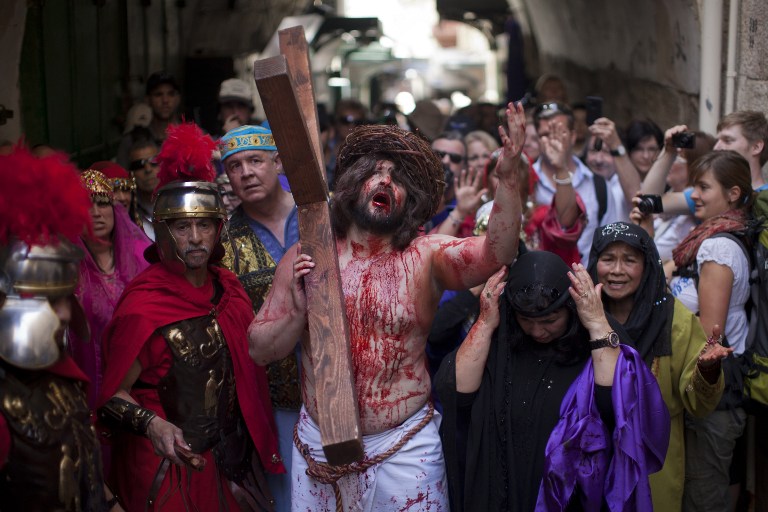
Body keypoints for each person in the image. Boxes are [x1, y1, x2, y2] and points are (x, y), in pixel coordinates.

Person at [249, 102, 528, 510]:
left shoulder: (426, 257)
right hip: (320, 443)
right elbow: (260, 350)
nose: (385, 181)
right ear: (351, 185)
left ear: (408, 201)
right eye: (374, 172)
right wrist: (294, 309)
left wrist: (508, 179)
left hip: (404, 445)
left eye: (397, 178)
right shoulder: (306, 257)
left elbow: (497, 252)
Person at [97, 123, 283, 511]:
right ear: (164, 232)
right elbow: (110, 397)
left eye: (205, 225)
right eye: (183, 227)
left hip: (229, 462)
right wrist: (152, 424)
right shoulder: (144, 306)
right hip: (167, 467)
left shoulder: (230, 290)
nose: (196, 237)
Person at [435, 250, 670, 511]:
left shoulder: (591, 341)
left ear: (570, 310)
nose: (537, 331)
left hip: (572, 494)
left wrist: (595, 321)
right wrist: (486, 321)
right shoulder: (501, 342)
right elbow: (455, 392)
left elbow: (618, 403)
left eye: (550, 320)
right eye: (526, 320)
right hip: (503, 487)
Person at [0, 144, 118, 511]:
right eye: (52, 302)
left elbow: (86, 473)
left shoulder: (64, 378)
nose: (66, 315)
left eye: (66, 298)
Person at [587, 221, 728, 511]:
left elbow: (697, 402)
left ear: (648, 264)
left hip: (654, 459)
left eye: (629, 260)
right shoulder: (583, 312)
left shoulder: (674, 319)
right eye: (607, 259)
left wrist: (708, 372)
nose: (616, 270)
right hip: (592, 453)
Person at [657, 150, 754, 512]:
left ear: (732, 194)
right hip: (714, 391)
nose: (693, 194)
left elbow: (708, 335)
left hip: (714, 391)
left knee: (702, 495)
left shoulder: (717, 246)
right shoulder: (712, 237)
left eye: (703, 186)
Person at [218, 124, 299, 512]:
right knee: (291, 501)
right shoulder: (224, 242)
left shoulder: (324, 211)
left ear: (278, 162)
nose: (246, 172)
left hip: (344, 384)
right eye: (234, 166)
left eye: (255, 160)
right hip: (277, 401)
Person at [69, 169, 151, 411]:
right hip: (90, 374)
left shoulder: (142, 254)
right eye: (87, 205)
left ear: (114, 209)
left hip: (142, 372)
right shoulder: (67, 266)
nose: (96, 213)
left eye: (103, 203)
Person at [532, 101, 618, 262]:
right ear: (537, 139)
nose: (553, 141)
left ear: (573, 137)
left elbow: (610, 242)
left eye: (560, 133)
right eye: (545, 135)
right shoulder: (525, 183)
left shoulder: (598, 186)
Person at [641, 111, 768, 216]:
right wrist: (669, 152)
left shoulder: (764, 199)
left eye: (728, 140)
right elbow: (648, 203)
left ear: (756, 147)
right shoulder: (709, 191)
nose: (717, 147)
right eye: (717, 140)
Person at [126, 129, 160, 239]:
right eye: (139, 165)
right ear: (131, 173)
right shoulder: (127, 210)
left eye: (154, 162)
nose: (148, 169)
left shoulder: (180, 200)